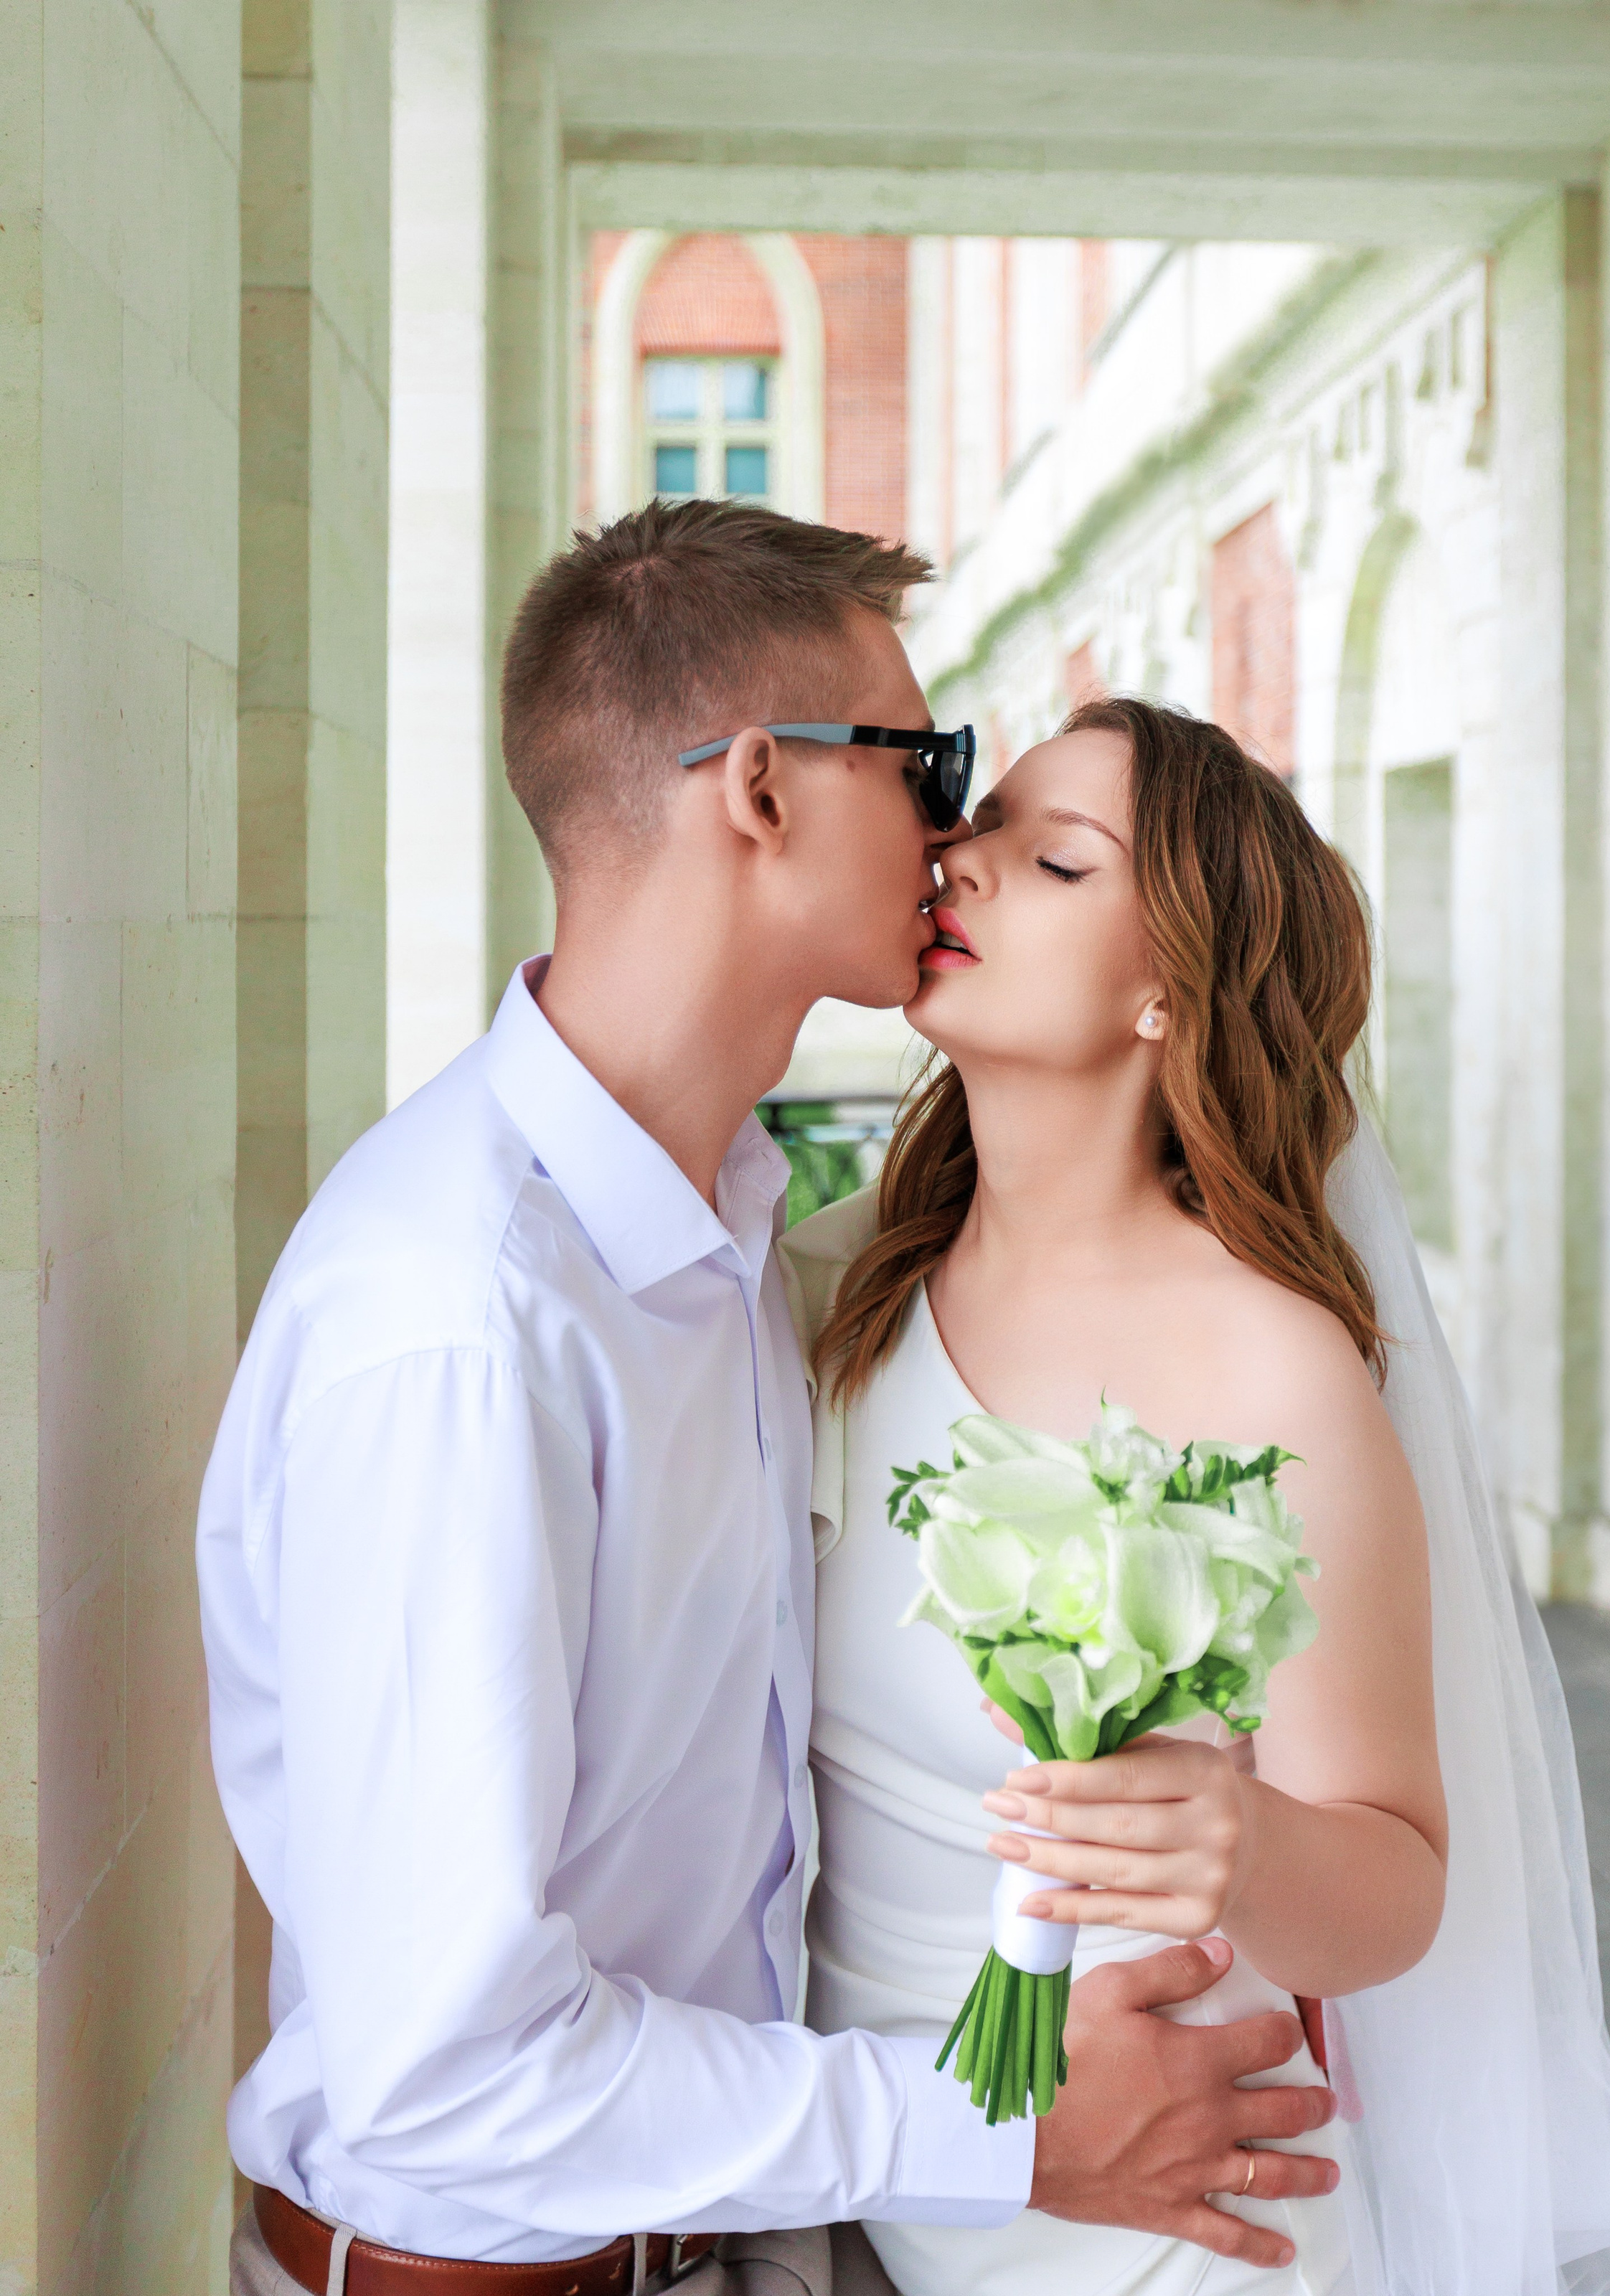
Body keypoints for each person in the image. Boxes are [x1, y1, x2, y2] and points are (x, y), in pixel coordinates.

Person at [197, 503, 1340, 2296]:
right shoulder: (459, 1320)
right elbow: (448, 2075)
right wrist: (1013, 2130)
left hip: (747, 2245)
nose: (955, 829)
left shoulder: (746, 1239)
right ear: (758, 791)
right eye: (926, 760)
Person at [778, 699, 1610, 2296]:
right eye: (983, 827)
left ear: (1163, 995)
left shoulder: (1270, 1368)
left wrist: (1240, 1839)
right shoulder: (828, 1288)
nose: (960, 864)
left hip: (1167, 2222)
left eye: (1052, 861)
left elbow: (1395, 1885)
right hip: (865, 2177)